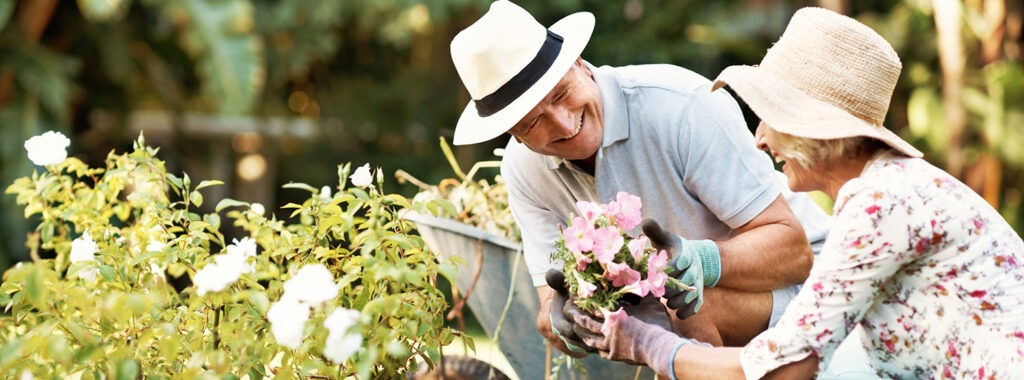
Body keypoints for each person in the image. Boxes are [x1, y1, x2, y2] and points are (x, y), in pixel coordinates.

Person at [572, 7, 1024, 379]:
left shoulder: (882, 205)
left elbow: (788, 368)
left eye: (770, 117)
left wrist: (652, 345)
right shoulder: (883, 191)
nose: (760, 140)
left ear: (816, 130)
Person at [447, 0, 832, 358]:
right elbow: (548, 305)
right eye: (533, 122)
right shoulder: (522, 168)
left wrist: (703, 260)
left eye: (562, 93)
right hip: (681, 321)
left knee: (687, 303)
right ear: (513, 133)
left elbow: (795, 253)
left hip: (813, 291)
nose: (564, 124)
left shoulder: (681, 107)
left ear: (580, 64)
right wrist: (563, 323)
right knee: (656, 313)